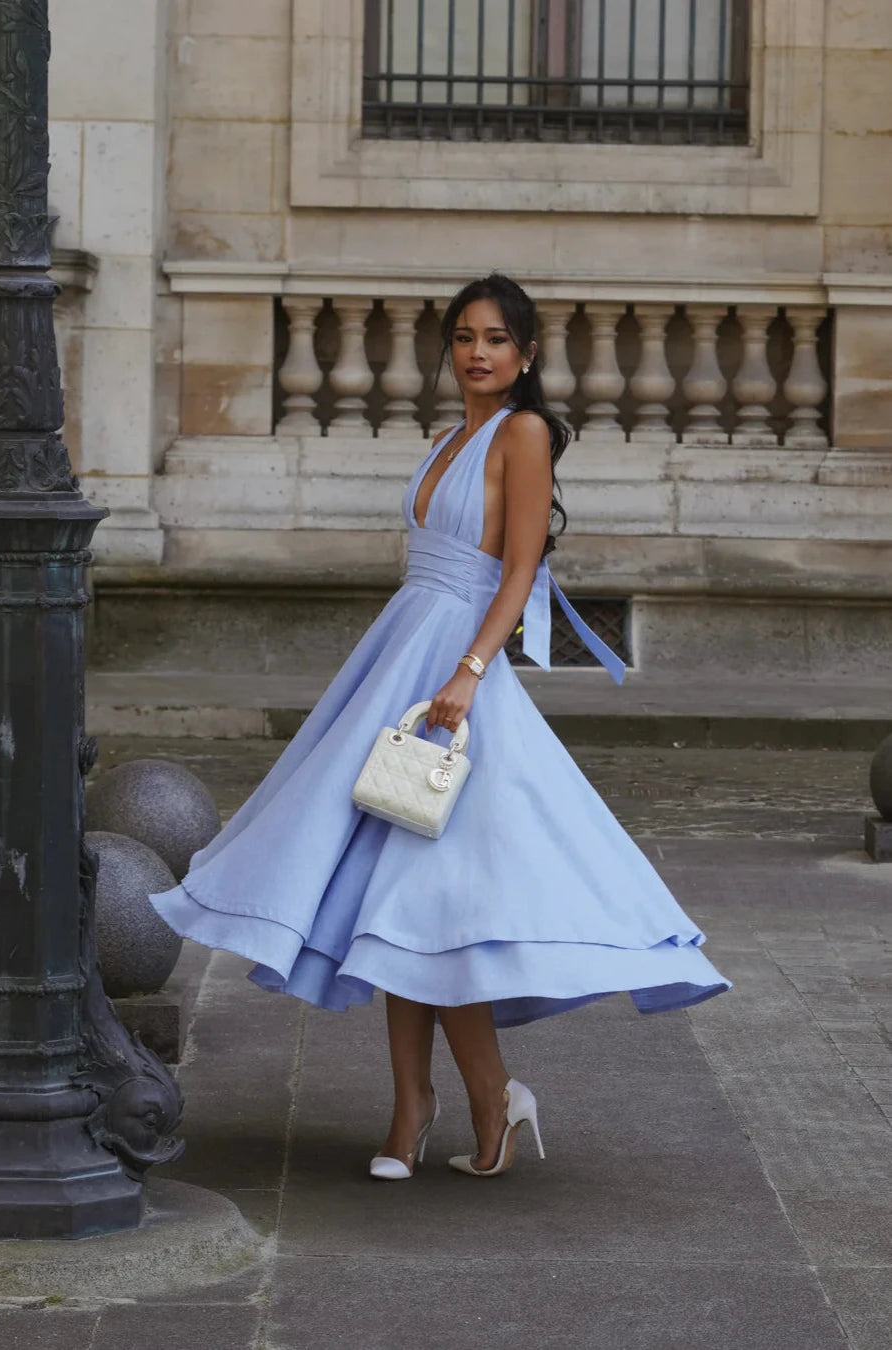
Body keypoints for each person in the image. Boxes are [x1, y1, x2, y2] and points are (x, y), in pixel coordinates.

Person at [150, 273, 730, 1181]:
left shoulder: (524, 434)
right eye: (463, 336)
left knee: (432, 901)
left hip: (456, 677)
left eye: (497, 338)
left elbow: (517, 572)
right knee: (390, 900)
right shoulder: (445, 438)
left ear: (526, 355)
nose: (477, 352)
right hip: (399, 662)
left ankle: (476, 1099)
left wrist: (467, 672)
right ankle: (420, 1105)